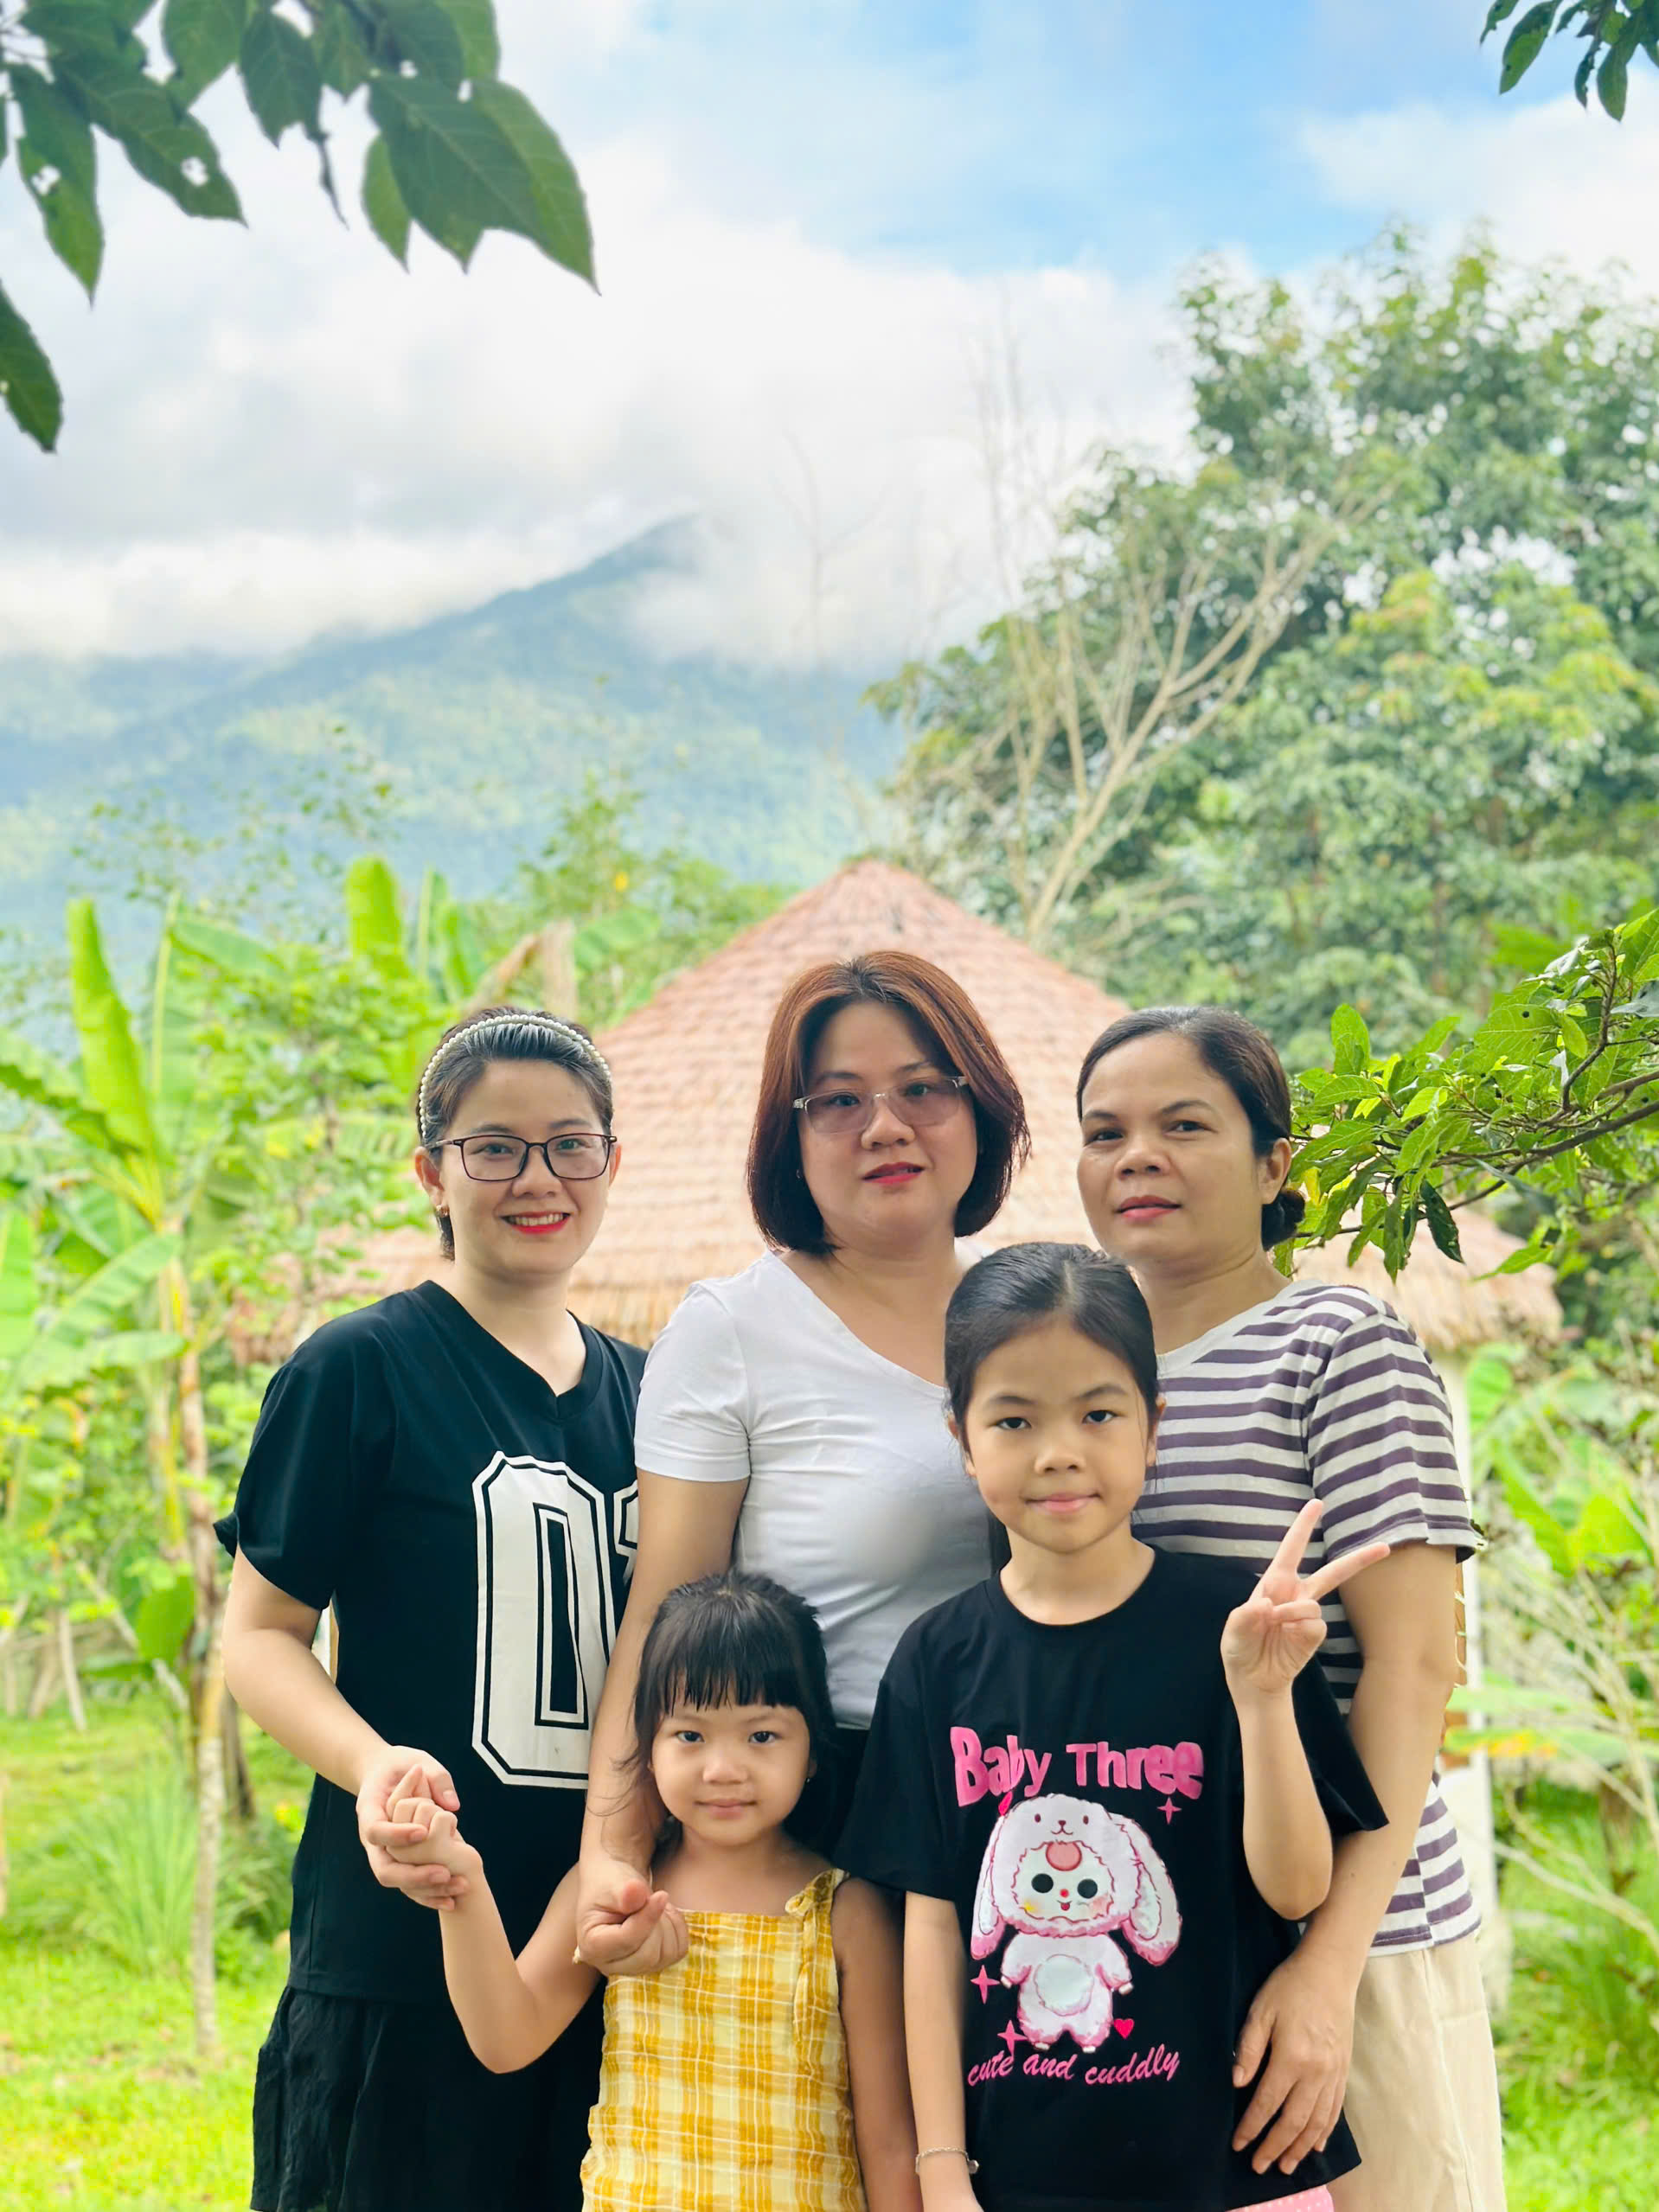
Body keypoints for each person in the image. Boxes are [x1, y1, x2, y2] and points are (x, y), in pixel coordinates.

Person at [839, 1243, 1387, 2212]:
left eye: (1098, 1413)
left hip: (1234, 2163)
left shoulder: (1233, 1627)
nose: (1059, 1451)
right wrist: (940, 2165)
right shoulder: (937, 1659)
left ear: (1152, 1426)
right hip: (1020, 2174)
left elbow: (1299, 1889)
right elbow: (933, 1924)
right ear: (962, 1437)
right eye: (1014, 1419)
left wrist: (1263, 1699)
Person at [1073, 1004, 1504, 2212]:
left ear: (1273, 1165)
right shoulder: (1076, 1371)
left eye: (1183, 1125)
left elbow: (1414, 1667)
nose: (1137, 1156)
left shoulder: (1337, 1343)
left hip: (1358, 1937)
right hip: (1157, 1936)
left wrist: (1327, 1966)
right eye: (1104, 1132)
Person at [218, 1007, 644, 2212]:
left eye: (569, 1143)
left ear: (612, 1160)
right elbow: (258, 1634)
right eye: (494, 1147)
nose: (536, 1177)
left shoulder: (656, 1394)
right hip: (398, 1944)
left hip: (603, 1949)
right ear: (432, 1172)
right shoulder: (357, 1365)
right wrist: (376, 1767)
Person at [576, 951, 1031, 1968]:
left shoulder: (1037, 1313)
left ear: (982, 1108)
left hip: (1032, 1799)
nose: (886, 1125)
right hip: (818, 1818)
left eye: (924, 1087)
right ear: (790, 1136)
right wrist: (611, 1850)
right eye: (838, 1100)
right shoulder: (732, 1328)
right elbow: (662, 1609)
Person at [386, 1569, 919, 2210]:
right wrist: (459, 1886)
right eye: (690, 1735)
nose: (723, 1769)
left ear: (812, 1752)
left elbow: (889, 2142)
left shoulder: (845, 1912)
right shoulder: (612, 1894)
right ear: (647, 1750)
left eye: (762, 1735)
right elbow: (506, 2038)